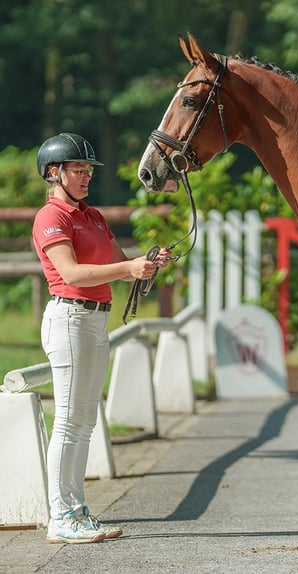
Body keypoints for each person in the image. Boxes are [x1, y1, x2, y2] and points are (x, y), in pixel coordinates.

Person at [32, 133, 169, 544]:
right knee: (70, 422)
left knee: (86, 421)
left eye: (89, 170)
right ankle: (61, 515)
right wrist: (127, 269)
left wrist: (144, 264)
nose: (86, 176)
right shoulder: (51, 217)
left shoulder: (91, 216)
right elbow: (72, 274)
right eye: (78, 170)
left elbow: (116, 263)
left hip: (95, 320)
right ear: (54, 173)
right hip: (70, 318)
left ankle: (76, 509)